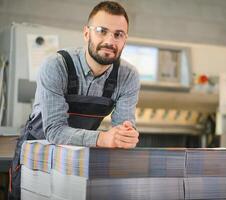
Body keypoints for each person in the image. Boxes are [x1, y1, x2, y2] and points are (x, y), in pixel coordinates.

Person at [8, 1, 140, 199]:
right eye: (102, 31)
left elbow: (121, 129)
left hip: (77, 159)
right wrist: (104, 138)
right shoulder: (56, 66)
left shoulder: (128, 76)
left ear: (125, 39)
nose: (110, 41)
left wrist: (125, 137)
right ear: (87, 33)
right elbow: (54, 131)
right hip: (36, 158)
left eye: (118, 34)